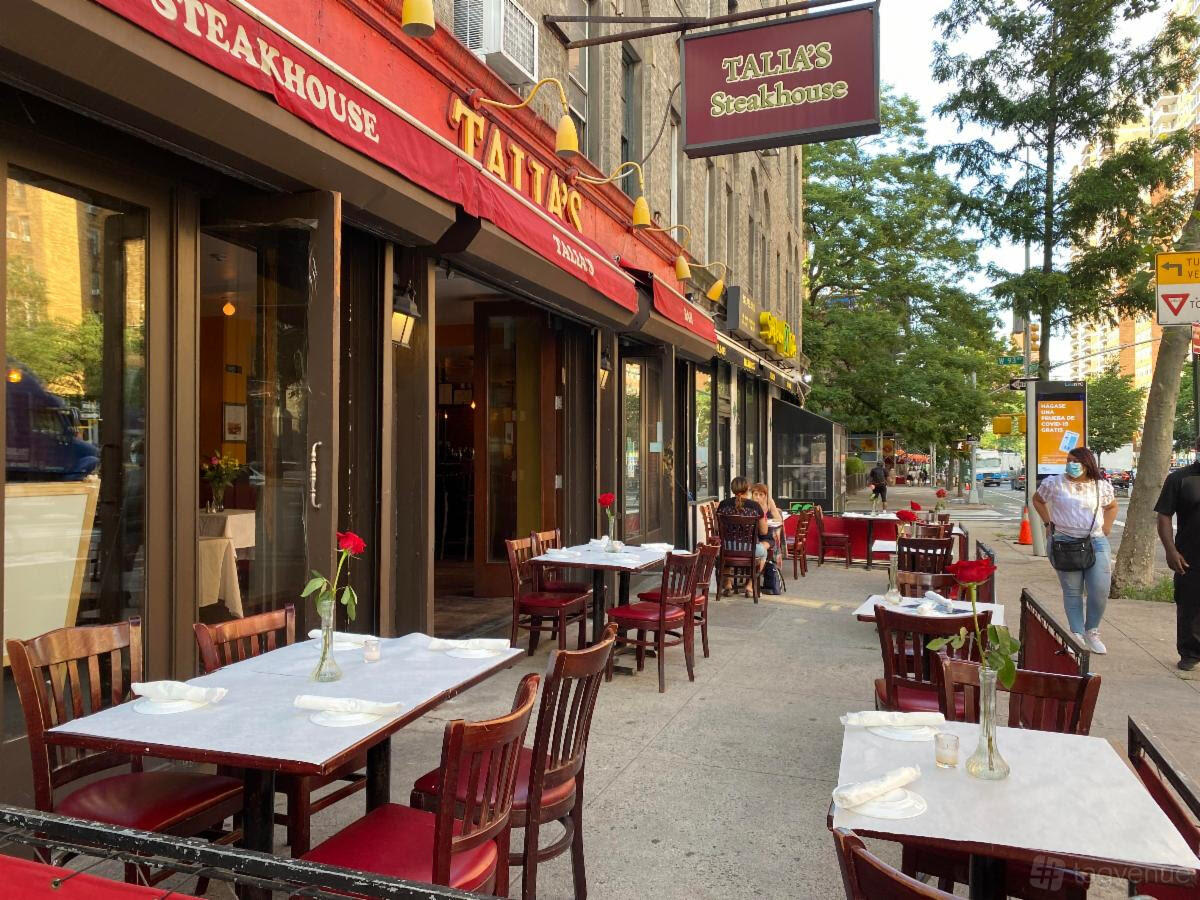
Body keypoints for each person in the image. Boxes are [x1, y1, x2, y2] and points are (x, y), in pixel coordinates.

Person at [1032, 447, 1118, 654]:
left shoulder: (1100, 486)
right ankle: (1076, 634)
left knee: (1099, 590)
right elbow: (1038, 499)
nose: (1071, 464)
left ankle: (1092, 631)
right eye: (1069, 460)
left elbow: (1112, 506)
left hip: (1095, 541)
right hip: (1064, 542)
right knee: (1072, 591)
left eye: (1076, 461)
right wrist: (1047, 524)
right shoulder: (1054, 483)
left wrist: (1106, 527)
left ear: (1088, 464)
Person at [1154, 437, 1200, 671]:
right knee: (1189, 605)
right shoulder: (1179, 479)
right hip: (1190, 555)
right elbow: (1163, 515)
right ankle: (1190, 652)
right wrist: (1171, 551)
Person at [717, 476, 771, 597]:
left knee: (724, 554)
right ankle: (750, 586)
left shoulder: (723, 505)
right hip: (750, 550)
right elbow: (763, 531)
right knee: (764, 553)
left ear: (732, 489)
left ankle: (727, 584)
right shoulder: (755, 507)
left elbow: (717, 528)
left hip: (727, 549)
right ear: (747, 489)